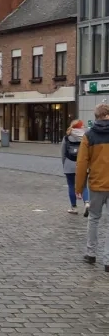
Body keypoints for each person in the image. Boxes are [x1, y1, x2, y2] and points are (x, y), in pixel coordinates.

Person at [76, 104, 109, 270]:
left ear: (96, 117)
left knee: (94, 218)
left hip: (96, 184)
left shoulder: (89, 135)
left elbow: (82, 163)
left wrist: (79, 187)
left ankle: (91, 254)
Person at [61, 119, 89, 215]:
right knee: (84, 186)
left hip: (69, 164)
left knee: (71, 186)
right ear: (80, 127)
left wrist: (64, 164)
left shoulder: (67, 137)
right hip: (83, 165)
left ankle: (74, 207)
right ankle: (87, 203)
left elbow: (63, 153)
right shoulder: (86, 137)